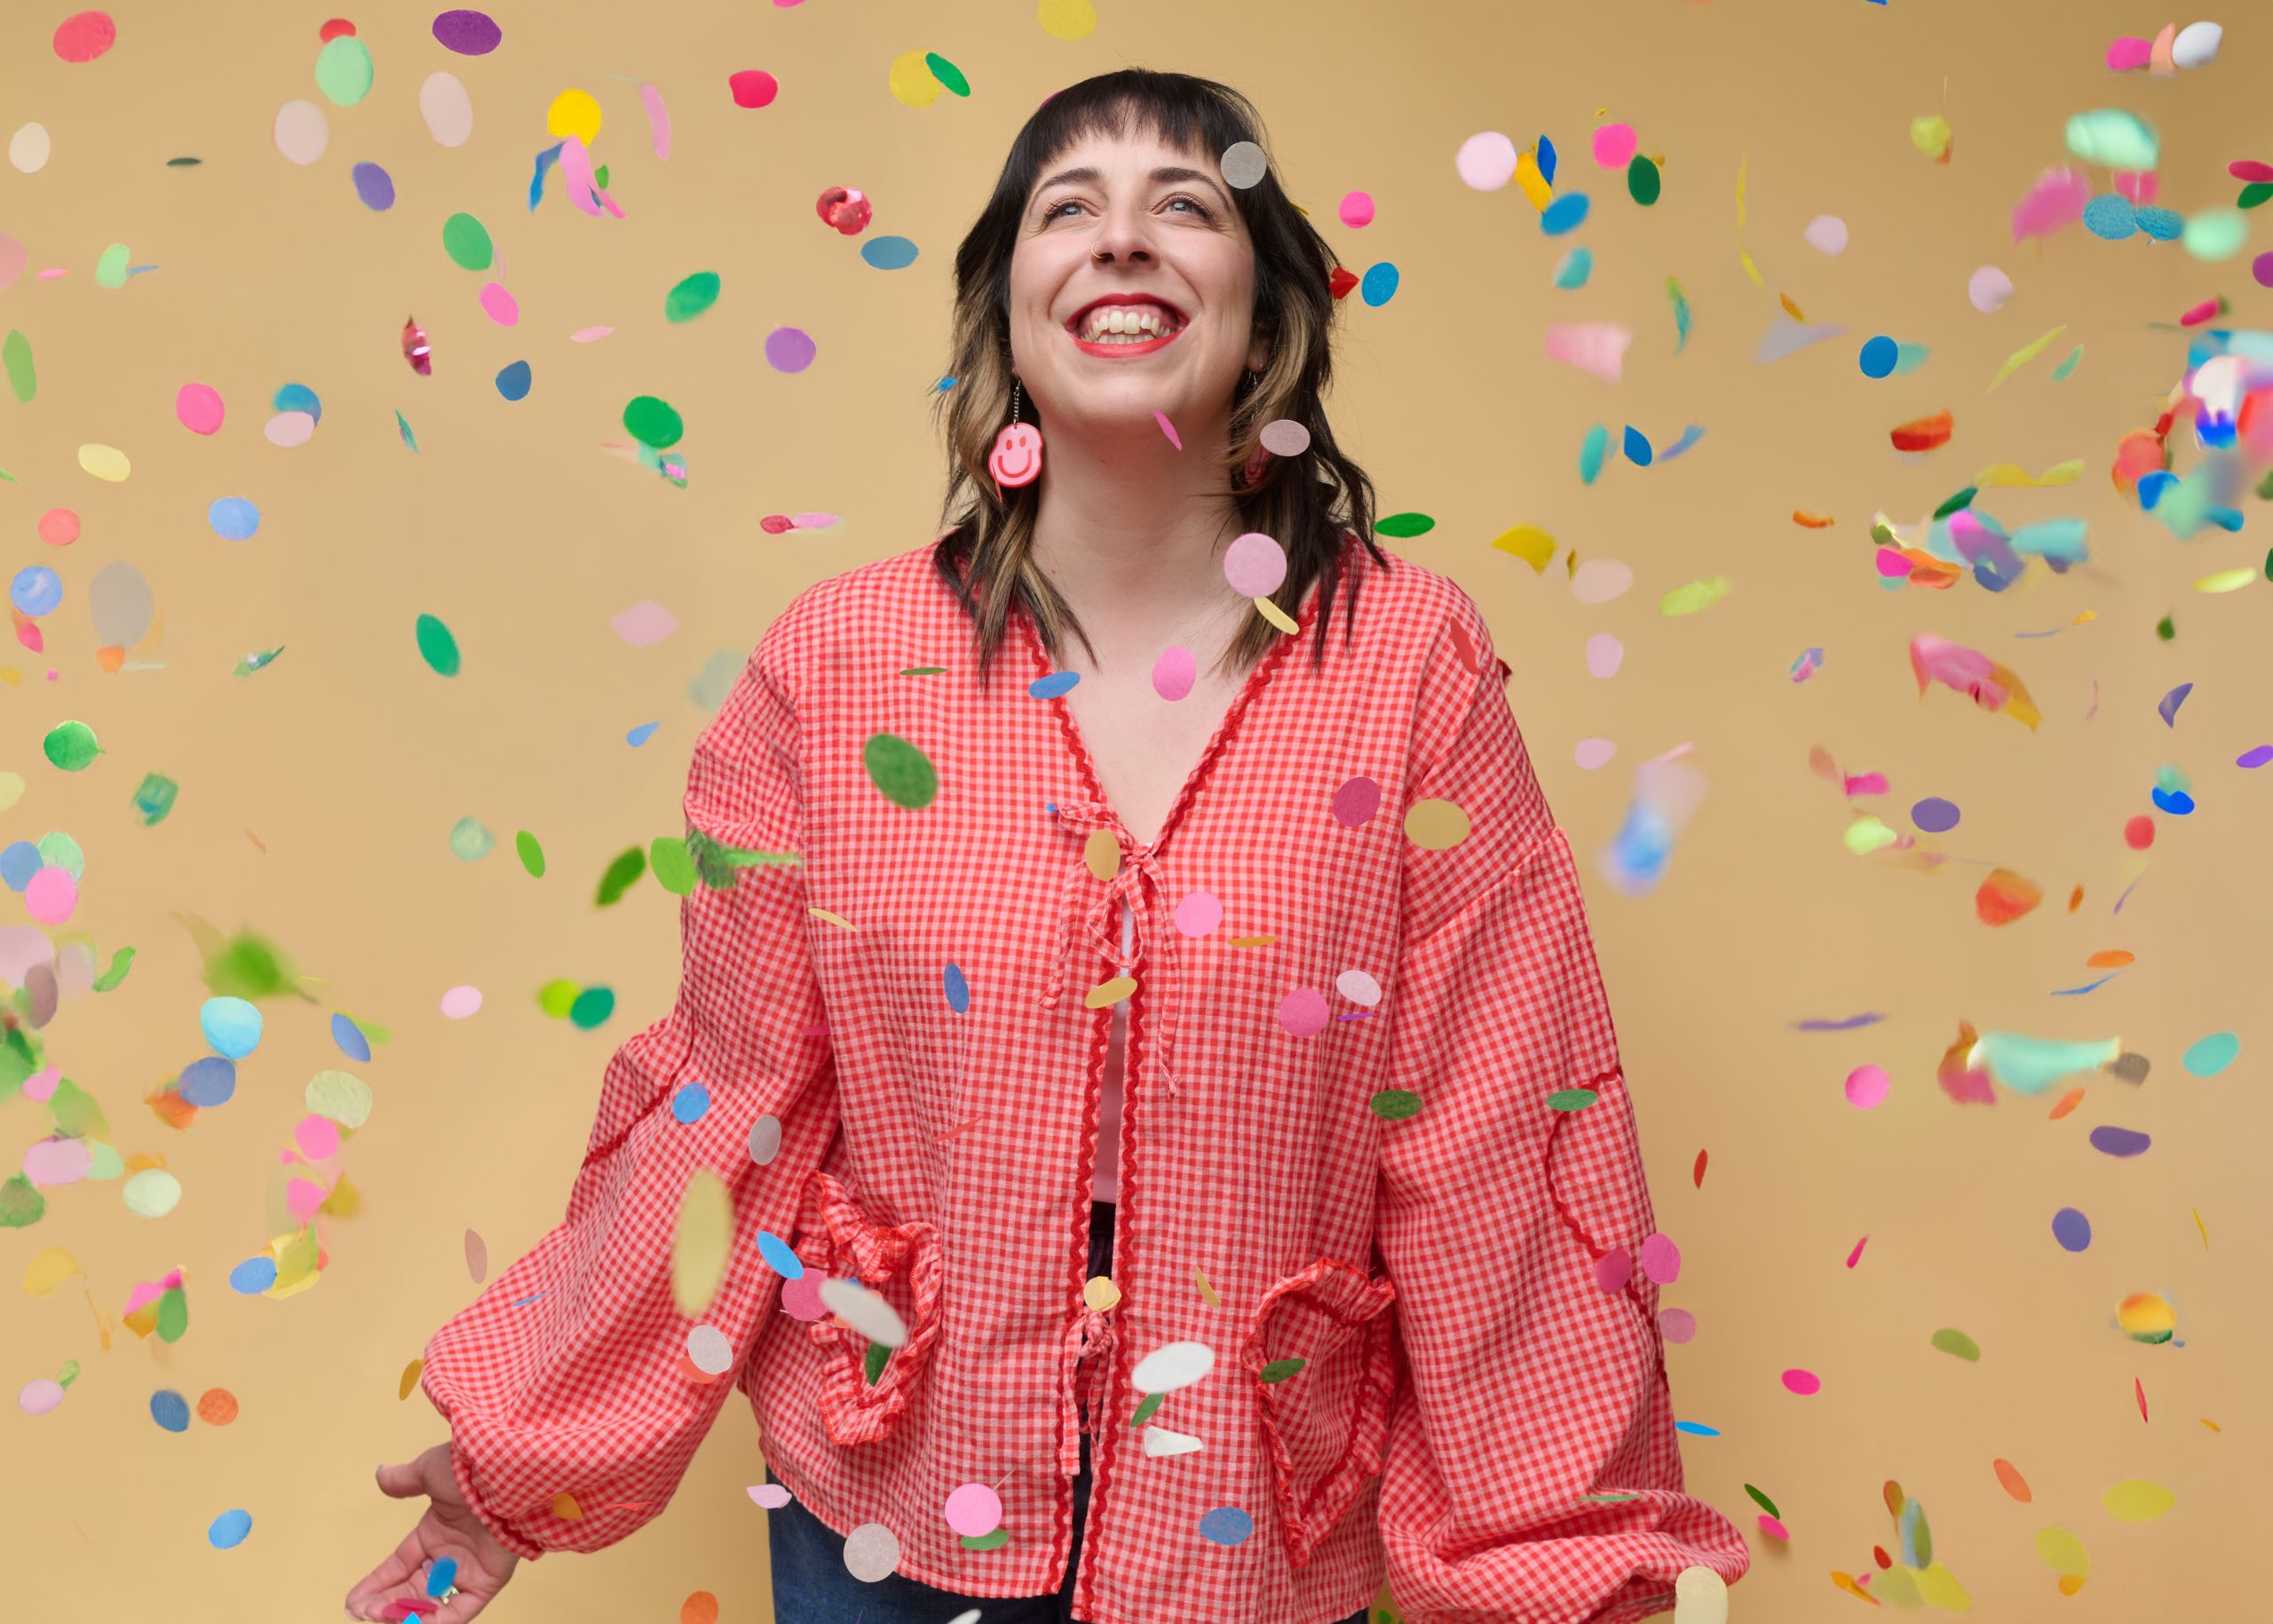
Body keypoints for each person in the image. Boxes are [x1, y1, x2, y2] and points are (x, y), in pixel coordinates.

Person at [345, 68, 1750, 1624]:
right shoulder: (840, 663)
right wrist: (527, 1451)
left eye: (1186, 206)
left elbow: (1500, 1121)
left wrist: (1560, 1569)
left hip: (1251, 1513)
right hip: (887, 1489)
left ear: (1265, 316)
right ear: (1006, 315)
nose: (1122, 238)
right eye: (1068, 208)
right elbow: (729, 1094)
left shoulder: (1410, 663)